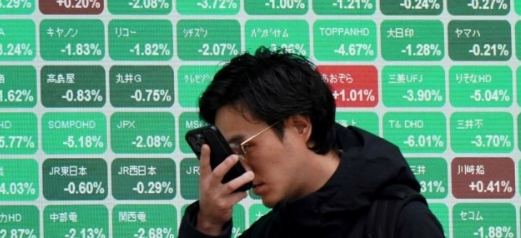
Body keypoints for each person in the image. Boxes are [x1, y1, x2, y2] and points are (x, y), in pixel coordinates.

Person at [179, 47, 446, 238]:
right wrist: (208, 225)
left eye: (244, 147)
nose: (242, 169)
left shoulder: (403, 222)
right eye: (230, 153)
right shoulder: (272, 230)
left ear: (300, 127)